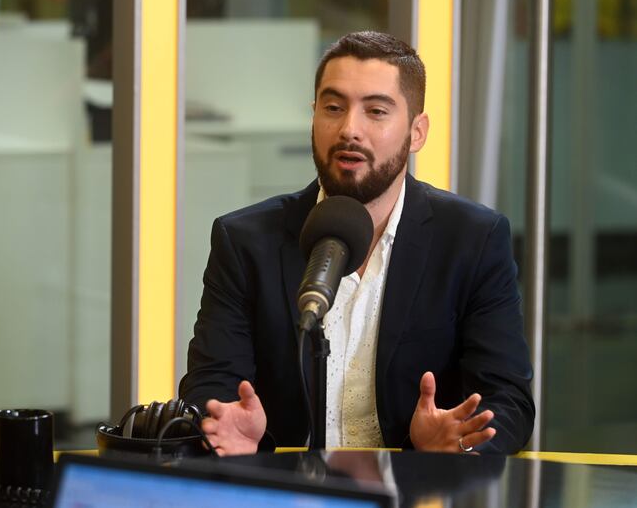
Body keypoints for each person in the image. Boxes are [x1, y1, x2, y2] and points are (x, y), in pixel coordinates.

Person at [178, 31, 534, 455]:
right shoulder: (244, 241)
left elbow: (508, 401)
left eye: (376, 111)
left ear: (417, 132)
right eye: (333, 108)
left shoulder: (474, 239)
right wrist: (227, 427)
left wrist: (459, 449)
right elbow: (210, 387)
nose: (349, 130)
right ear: (313, 117)